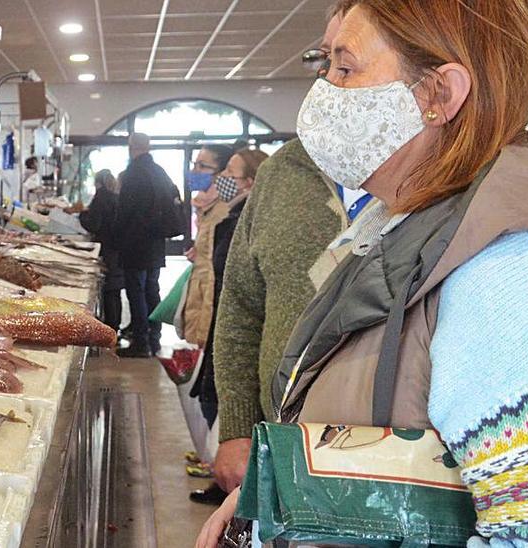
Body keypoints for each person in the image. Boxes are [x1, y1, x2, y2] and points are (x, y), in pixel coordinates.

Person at [198, 1, 528, 546]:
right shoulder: (409, 230)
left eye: (345, 69)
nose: (324, 90)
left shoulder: (519, 281)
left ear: (437, 95)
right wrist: (288, 491)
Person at [208, 0, 361, 497]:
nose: (327, 81)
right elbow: (240, 310)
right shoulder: (282, 173)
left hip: (384, 472)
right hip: (277, 448)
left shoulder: (451, 192)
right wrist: (235, 428)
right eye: (325, 60)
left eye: (347, 63)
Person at [180, 149, 269, 505]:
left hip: (228, 321)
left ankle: (231, 481)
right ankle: (223, 472)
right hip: (215, 313)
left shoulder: (248, 218)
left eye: (226, 172)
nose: (217, 179)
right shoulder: (227, 211)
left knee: (216, 395)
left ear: (250, 181)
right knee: (208, 393)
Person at [115, 133, 175, 358]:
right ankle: (154, 337)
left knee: (136, 291)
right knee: (152, 289)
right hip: (156, 244)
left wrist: (116, 238)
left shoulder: (133, 173)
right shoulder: (160, 172)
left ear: (131, 147)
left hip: (135, 243)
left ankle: (141, 342)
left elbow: (125, 212)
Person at [79, 169, 122, 331]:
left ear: (98, 182)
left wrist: (83, 215)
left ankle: (108, 327)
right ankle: (115, 325)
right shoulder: (116, 197)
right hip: (117, 248)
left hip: (104, 248)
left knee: (108, 288)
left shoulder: (100, 197)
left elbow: (94, 224)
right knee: (115, 288)